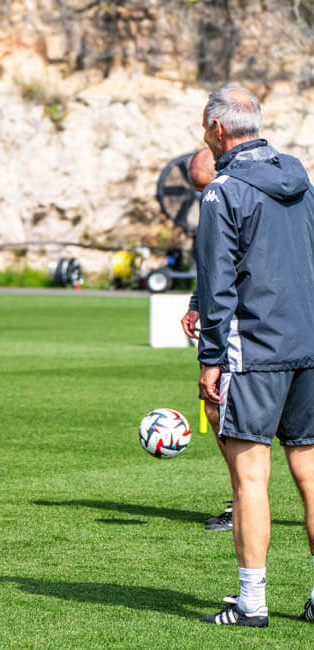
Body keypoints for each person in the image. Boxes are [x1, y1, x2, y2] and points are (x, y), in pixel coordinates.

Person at [192, 87, 314, 627]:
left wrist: (210, 358)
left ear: (217, 129)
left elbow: (217, 282)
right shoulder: (301, 179)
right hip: (308, 344)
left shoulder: (222, 192)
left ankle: (252, 603)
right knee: (310, 474)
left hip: (255, 349)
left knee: (250, 479)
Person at [177, 147, 234, 531]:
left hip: (249, 327)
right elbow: (213, 263)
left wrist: (209, 357)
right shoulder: (216, 199)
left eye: (205, 186)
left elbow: (226, 268)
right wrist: (198, 302)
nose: (204, 195)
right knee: (217, 410)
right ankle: (242, 497)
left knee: (218, 406)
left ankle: (243, 501)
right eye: (198, 190)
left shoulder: (234, 196)